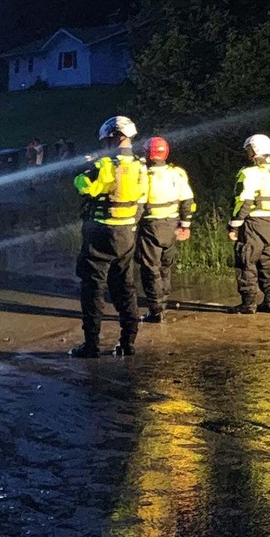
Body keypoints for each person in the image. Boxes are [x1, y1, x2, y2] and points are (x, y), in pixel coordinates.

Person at [71, 115, 146, 358]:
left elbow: (85, 187)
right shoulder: (140, 165)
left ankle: (91, 345)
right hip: (126, 233)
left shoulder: (104, 165)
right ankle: (128, 343)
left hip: (100, 233)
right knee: (125, 286)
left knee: (92, 287)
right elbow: (142, 200)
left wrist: (85, 167)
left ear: (115, 137)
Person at [136, 137, 196, 322]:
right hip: (171, 225)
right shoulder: (177, 173)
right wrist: (185, 225)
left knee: (150, 268)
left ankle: (155, 311)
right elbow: (188, 201)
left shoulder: (143, 175)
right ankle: (163, 304)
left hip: (150, 225)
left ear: (148, 153)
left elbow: (138, 203)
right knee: (165, 267)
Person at [229, 134, 270, 314]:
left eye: (248, 149)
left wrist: (234, 225)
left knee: (246, 261)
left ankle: (248, 304)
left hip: (253, 223)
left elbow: (243, 202)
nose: (247, 153)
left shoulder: (248, 172)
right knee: (268, 263)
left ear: (254, 150)